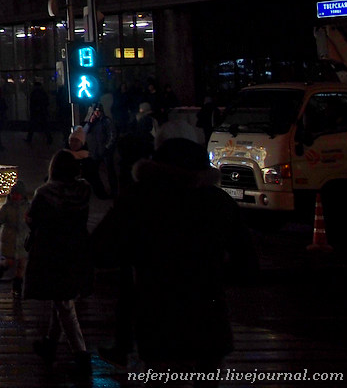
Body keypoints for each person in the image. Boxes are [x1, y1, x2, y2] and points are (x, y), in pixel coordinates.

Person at [93, 138, 257, 371]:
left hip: (158, 318)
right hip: (209, 320)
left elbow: (101, 250)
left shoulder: (139, 198)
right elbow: (247, 264)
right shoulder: (219, 202)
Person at [25, 150, 93, 376]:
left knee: (63, 302)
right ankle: (49, 344)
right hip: (77, 249)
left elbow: (34, 221)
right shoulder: (84, 191)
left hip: (53, 252)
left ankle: (80, 353)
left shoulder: (44, 194)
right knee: (62, 298)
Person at [0, 179, 30, 296]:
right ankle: (2, 266)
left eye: (18, 194)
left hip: (23, 240)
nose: (15, 196)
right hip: (10, 239)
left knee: (22, 264)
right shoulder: (7, 208)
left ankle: (17, 287)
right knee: (10, 261)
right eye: (13, 194)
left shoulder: (28, 207)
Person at [84, 103, 116, 198]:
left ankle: (113, 191)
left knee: (110, 172)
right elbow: (84, 132)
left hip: (105, 151)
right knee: (93, 172)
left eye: (98, 111)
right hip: (95, 151)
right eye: (95, 111)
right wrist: (90, 122)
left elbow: (112, 134)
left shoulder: (106, 121)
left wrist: (107, 147)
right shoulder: (92, 122)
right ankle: (99, 192)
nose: (97, 113)